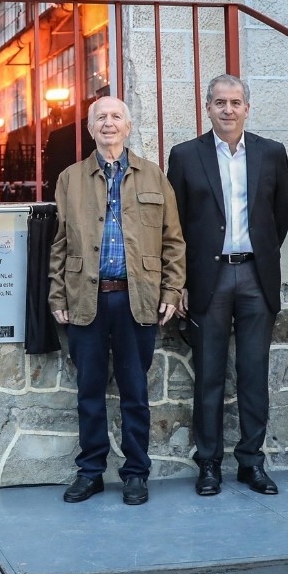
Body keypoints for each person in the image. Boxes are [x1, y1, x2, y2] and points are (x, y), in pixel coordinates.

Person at [49, 96, 186, 506]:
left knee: (134, 391)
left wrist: (171, 292)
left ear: (128, 127)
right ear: (90, 128)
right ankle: (90, 471)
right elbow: (58, 243)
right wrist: (58, 293)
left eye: (116, 117)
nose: (108, 124)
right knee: (88, 390)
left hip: (136, 299)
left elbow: (173, 242)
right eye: (100, 118)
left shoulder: (153, 177)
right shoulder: (70, 178)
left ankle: (136, 473)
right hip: (84, 299)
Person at [166, 75, 288, 497]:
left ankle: (252, 463)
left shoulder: (271, 153)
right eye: (220, 102)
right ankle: (209, 465)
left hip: (256, 275)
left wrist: (259, 254)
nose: (228, 109)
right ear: (208, 107)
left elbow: (281, 213)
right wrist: (179, 281)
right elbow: (176, 224)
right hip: (208, 278)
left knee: (253, 374)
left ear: (247, 107)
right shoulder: (185, 156)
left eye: (235, 102)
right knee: (209, 376)